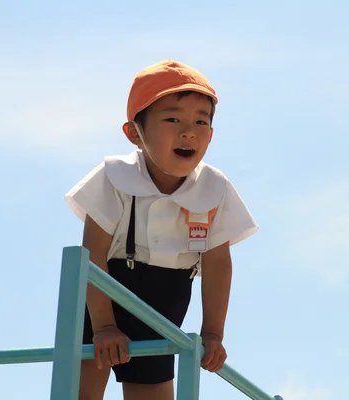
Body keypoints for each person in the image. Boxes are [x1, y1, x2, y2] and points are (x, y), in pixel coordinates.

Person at [64, 60, 258, 400]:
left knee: (152, 390)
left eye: (201, 121)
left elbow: (217, 264)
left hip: (164, 305)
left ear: (210, 135)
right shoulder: (115, 178)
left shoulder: (214, 189)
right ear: (135, 133)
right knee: (81, 387)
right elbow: (92, 255)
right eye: (173, 119)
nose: (189, 131)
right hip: (104, 297)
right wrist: (106, 327)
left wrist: (213, 333)